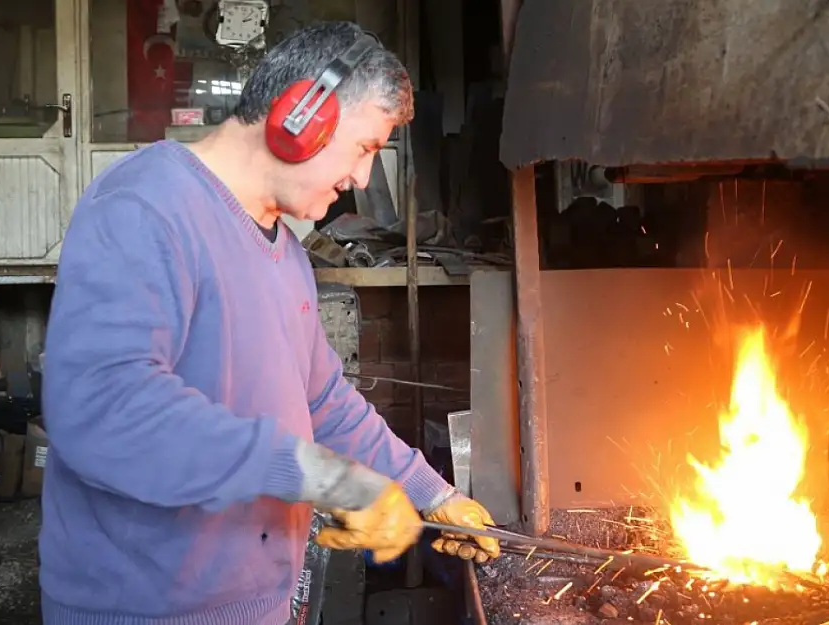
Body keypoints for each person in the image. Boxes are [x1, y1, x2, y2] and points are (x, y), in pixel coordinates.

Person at [39, 21, 499, 625]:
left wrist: (430, 494)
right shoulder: (143, 208)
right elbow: (105, 408)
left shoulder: (285, 251)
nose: (363, 179)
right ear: (299, 115)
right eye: (364, 148)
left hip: (261, 601)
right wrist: (325, 480)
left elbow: (324, 403)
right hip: (150, 608)